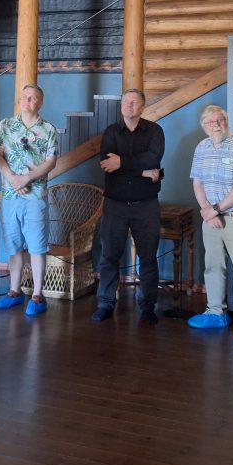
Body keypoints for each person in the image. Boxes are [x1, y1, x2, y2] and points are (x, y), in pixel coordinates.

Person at [188, 104, 233, 342]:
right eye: (211, 122)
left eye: (220, 121)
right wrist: (208, 212)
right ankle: (216, 312)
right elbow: (197, 183)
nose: (216, 125)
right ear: (204, 126)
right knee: (212, 267)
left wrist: (215, 210)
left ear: (226, 122)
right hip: (211, 218)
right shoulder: (202, 147)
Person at [92, 89, 165, 324]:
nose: (129, 105)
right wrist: (142, 172)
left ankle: (148, 306)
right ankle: (105, 303)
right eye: (125, 102)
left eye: (134, 102)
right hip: (115, 205)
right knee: (109, 256)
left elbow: (153, 159)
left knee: (148, 257)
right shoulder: (111, 132)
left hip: (146, 205)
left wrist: (121, 162)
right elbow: (107, 164)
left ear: (142, 107)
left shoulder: (155, 131)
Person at [0, 84, 58, 315]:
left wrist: (27, 178)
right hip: (10, 194)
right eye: (25, 97)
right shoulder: (6, 125)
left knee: (37, 246)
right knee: (13, 245)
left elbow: (51, 161)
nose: (28, 101)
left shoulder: (48, 129)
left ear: (40, 103)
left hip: (35, 196)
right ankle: (14, 291)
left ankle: (38, 296)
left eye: (33, 98)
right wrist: (13, 179)